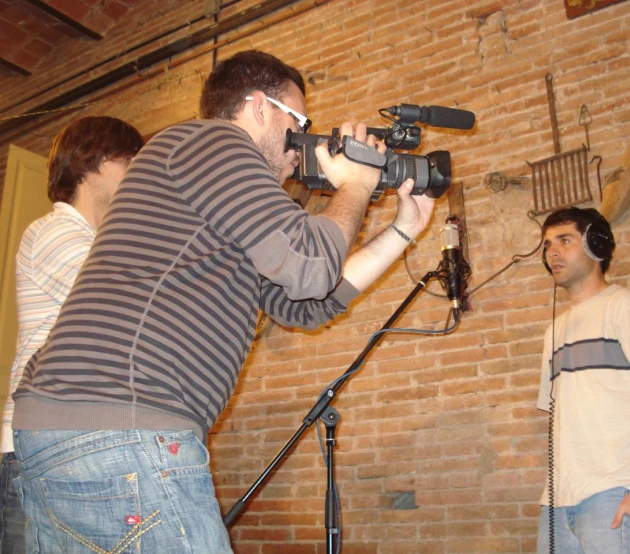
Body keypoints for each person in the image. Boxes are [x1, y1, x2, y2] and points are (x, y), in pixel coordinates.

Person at [12, 50, 434, 553]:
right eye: (299, 121)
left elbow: (306, 301)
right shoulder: (213, 141)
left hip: (78, 429)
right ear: (259, 108)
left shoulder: (212, 192)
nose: (301, 145)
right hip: (121, 425)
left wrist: (403, 230)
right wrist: (357, 185)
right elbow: (308, 264)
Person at [0, 116, 143, 553]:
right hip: (39, 453)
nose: (138, 175)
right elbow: (122, 309)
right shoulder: (54, 231)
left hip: (76, 447)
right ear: (94, 162)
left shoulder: (102, 242)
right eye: (130, 163)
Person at [536, 207, 630, 554]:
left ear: (596, 245)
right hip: (557, 500)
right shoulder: (553, 330)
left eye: (564, 240)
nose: (552, 252)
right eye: (546, 245)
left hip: (614, 494)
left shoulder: (627, 306)